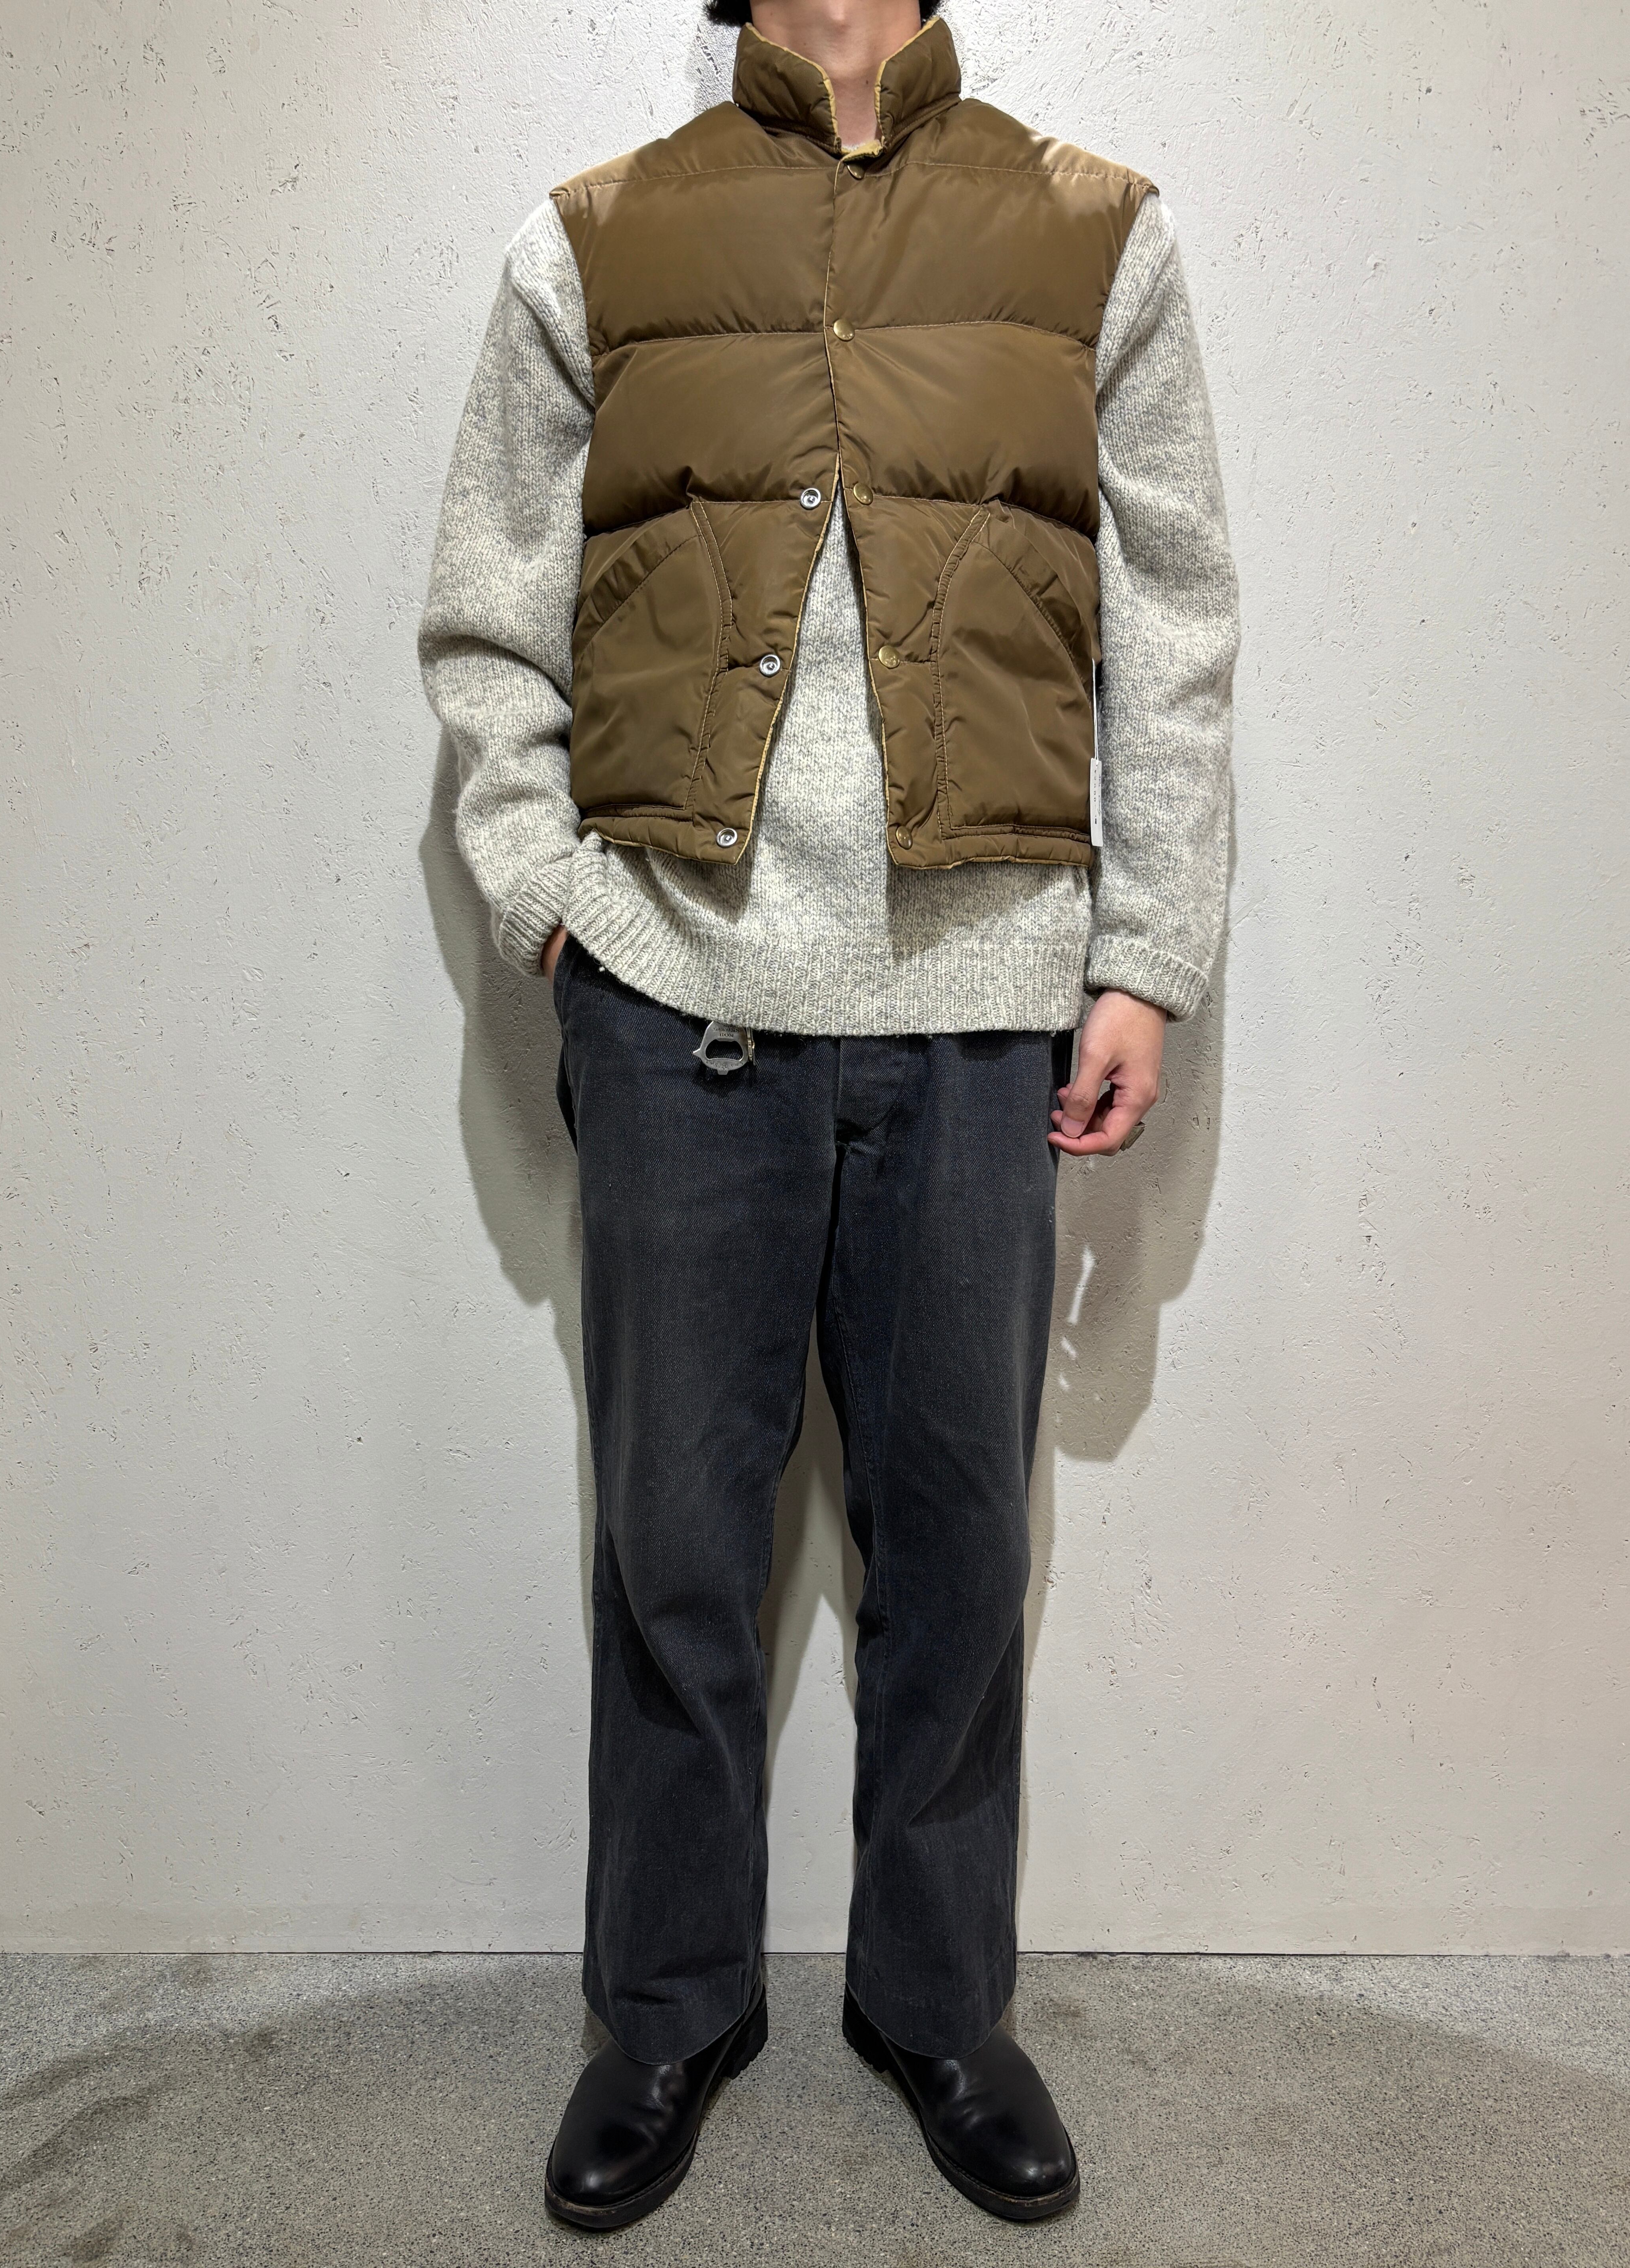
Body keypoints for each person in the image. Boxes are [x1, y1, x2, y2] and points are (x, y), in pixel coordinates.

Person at [418, 0, 1238, 2231]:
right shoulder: (600, 239)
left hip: (985, 1006)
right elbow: (490, 625)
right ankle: (668, 2009)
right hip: (679, 1000)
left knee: (956, 1548)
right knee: (674, 1546)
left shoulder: (1097, 235)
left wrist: (1147, 954)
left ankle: (939, 2005)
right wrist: (557, 912)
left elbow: (1175, 627)